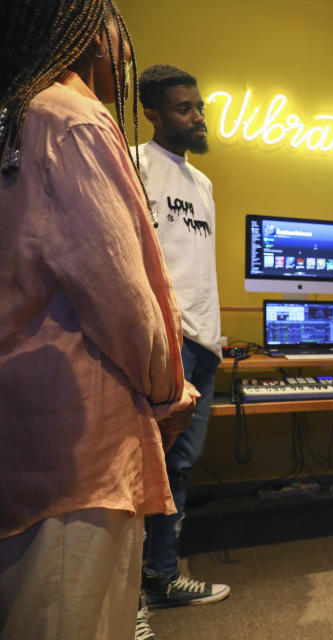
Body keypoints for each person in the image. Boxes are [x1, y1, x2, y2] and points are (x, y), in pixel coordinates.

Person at [0, 1, 199, 639]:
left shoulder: (17, 117)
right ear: (94, 32)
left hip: (26, 425)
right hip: (84, 435)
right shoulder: (71, 116)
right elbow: (119, 290)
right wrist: (169, 387)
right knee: (74, 616)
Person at [133, 65, 230, 618]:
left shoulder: (203, 182)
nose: (197, 118)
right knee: (148, 465)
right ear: (152, 112)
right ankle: (139, 585)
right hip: (167, 340)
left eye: (198, 107)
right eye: (183, 109)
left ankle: (160, 576)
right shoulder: (133, 162)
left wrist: (214, 337)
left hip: (204, 342)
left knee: (181, 468)